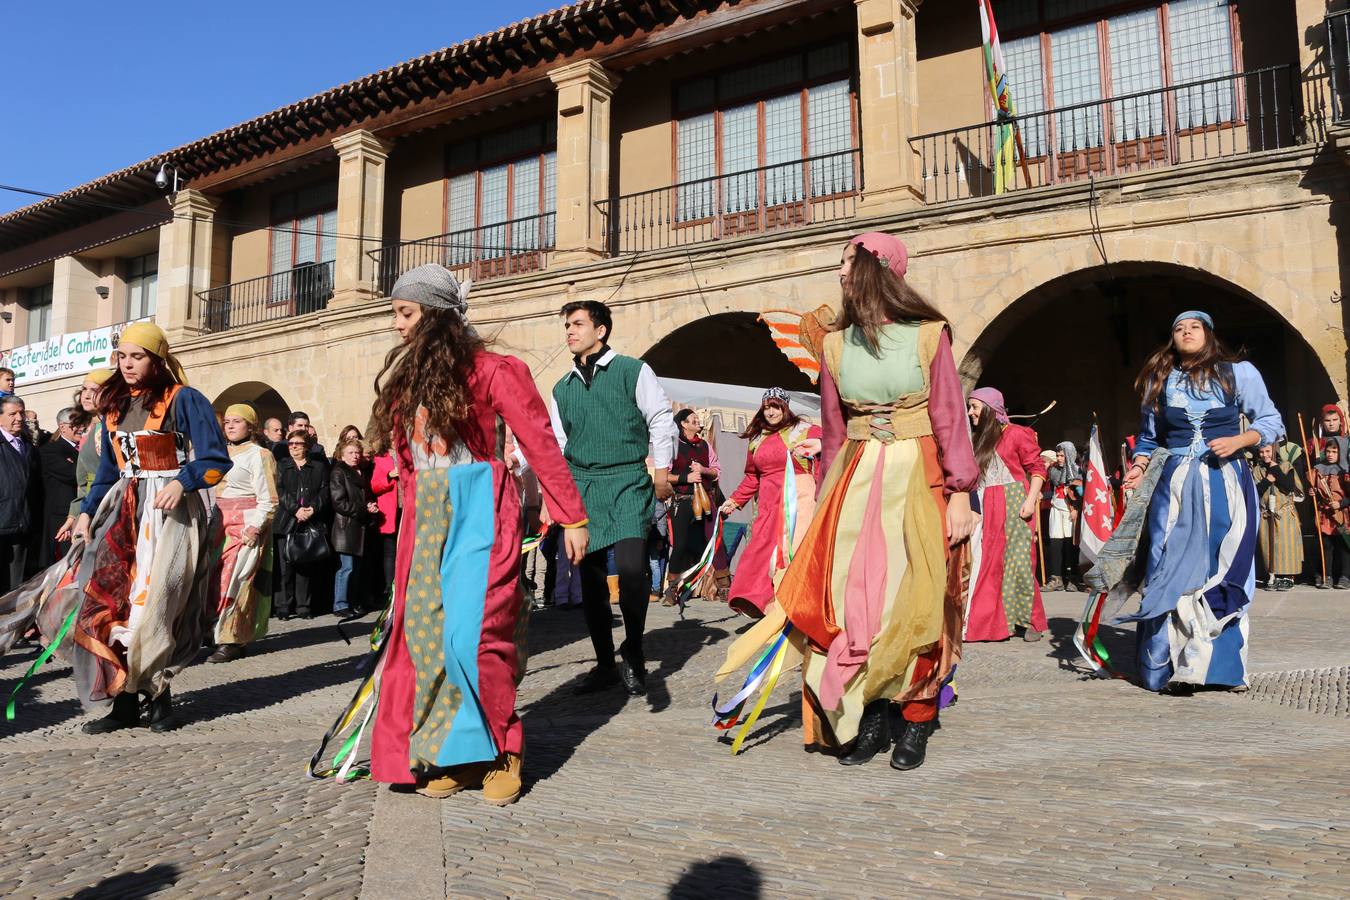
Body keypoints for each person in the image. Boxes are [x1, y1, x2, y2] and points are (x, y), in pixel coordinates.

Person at [723, 232, 977, 773]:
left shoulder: (930, 337)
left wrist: (959, 492)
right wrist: (822, 504)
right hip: (856, 483)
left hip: (921, 477)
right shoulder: (835, 346)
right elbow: (835, 433)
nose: (840, 273)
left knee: (920, 603)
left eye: (847, 263)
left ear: (878, 270)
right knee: (859, 605)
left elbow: (951, 418)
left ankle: (916, 716)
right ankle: (872, 712)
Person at [361, 263, 587, 807]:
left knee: (476, 636)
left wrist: (572, 516)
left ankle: (505, 751)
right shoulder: (408, 382)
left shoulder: (494, 370)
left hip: (478, 511)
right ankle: (456, 755)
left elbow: (539, 442)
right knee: (427, 639)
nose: (396, 325)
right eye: (395, 313)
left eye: (405, 312)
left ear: (437, 316)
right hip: (425, 519)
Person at [5, 324, 231, 732]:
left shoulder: (184, 399)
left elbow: (215, 459)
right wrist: (88, 511)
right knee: (113, 602)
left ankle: (159, 694)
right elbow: (108, 472)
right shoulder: (113, 406)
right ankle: (125, 700)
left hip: (170, 513)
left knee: (158, 602)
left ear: (157, 359)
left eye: (137, 356)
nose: (127, 364)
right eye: (122, 356)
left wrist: (183, 482)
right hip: (123, 511)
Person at [1118, 311, 1284, 694]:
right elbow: (1148, 437)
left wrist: (1240, 441)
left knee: (1222, 565)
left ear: (1208, 334)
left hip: (1225, 481)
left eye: (1194, 327)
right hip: (1173, 486)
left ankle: (1218, 668)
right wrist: (1140, 466)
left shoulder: (1238, 373)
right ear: (1172, 339)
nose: (1186, 332)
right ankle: (1169, 665)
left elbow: (1271, 420)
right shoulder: (1159, 382)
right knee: (1166, 564)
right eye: (1178, 328)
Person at [550, 299, 676, 697]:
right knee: (589, 581)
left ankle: (634, 650)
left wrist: (660, 473)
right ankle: (605, 663)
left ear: (601, 330)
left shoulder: (632, 371)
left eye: (578, 324)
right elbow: (558, 443)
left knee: (632, 567)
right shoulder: (561, 388)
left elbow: (659, 417)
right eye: (567, 325)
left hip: (627, 480)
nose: (569, 331)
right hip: (582, 485)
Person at [718, 388, 822, 619]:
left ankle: (794, 607)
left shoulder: (805, 430)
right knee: (761, 551)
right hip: (767, 502)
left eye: (775, 406)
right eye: (766, 407)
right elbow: (752, 477)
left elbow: (833, 443)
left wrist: (821, 445)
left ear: (785, 407)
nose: (771, 411)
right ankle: (765, 605)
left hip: (798, 499)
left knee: (792, 551)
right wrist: (734, 501)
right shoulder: (757, 439)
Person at [964, 387, 1049, 642]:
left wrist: (1030, 501)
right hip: (986, 504)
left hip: (1015, 503)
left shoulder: (1018, 434)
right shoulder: (979, 440)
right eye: (970, 407)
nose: (970, 413)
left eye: (975, 407)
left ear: (990, 409)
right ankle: (995, 624)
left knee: (1019, 564)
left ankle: (1031, 621)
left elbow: (1037, 469)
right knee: (990, 565)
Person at [207, 404, 278, 662]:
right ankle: (214, 631)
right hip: (219, 524)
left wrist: (255, 527)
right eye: (227, 421)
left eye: (237, 421)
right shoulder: (218, 453)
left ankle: (232, 639)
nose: (230, 426)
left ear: (250, 426)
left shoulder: (259, 455)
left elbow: (268, 498)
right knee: (214, 581)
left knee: (235, 580)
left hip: (246, 524)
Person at [663, 409, 726, 605]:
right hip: (682, 500)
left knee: (715, 542)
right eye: (693, 419)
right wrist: (685, 477)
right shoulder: (673, 445)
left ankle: (724, 587)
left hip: (706, 499)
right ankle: (672, 590)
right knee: (680, 545)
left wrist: (703, 470)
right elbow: (664, 475)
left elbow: (717, 472)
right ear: (683, 424)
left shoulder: (705, 445)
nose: (698, 421)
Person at [273, 429, 329, 619]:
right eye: (290, 444)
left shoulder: (318, 467)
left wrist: (313, 508)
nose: (293, 447)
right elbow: (279, 490)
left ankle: (304, 606)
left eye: (298, 443)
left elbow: (324, 491)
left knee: (304, 565)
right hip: (287, 520)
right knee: (285, 566)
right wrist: (295, 510)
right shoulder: (282, 465)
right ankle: (283, 606)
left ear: (307, 446)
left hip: (309, 520)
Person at [329, 438, 375, 616]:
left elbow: (363, 496)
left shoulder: (360, 472)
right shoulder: (339, 472)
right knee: (346, 568)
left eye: (357, 453)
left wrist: (370, 505)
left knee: (356, 569)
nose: (355, 456)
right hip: (345, 528)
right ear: (342, 455)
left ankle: (353, 602)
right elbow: (339, 502)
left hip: (359, 526)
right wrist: (364, 508)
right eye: (350, 453)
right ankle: (340, 605)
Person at [1252, 442, 1304, 592]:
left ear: (1274, 451)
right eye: (1261, 452)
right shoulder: (1257, 471)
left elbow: (1288, 487)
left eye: (1268, 451)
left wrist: (1275, 469)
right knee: (1270, 546)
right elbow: (1256, 492)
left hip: (1284, 513)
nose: (1265, 455)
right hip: (1267, 514)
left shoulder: (1286, 466)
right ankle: (1272, 575)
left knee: (1286, 545)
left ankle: (1288, 576)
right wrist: (1267, 480)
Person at [0, 396, 39, 594]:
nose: (19, 418)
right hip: (2, 524)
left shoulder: (27, 446)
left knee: (17, 585)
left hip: (22, 525)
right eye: (12, 414)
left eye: (21, 413)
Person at [36, 407, 81, 567]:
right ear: (62, 427)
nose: (81, 427)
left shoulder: (86, 447)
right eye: (76, 424)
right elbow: (75, 474)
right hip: (62, 520)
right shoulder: (50, 451)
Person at [1044, 441, 1083, 592]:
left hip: (1070, 510)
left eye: (1062, 455)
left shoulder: (1077, 471)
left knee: (1070, 544)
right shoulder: (1053, 471)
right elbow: (1053, 489)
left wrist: (1076, 509)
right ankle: (1056, 578)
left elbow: (1080, 493)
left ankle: (1072, 577)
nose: (1059, 458)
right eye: (1058, 455)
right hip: (1056, 509)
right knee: (1055, 543)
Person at [1312, 437, 1350, 589]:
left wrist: (1340, 503)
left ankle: (1345, 577)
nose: (1330, 454)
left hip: (1342, 515)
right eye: (1328, 451)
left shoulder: (1345, 470)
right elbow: (1316, 490)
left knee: (1344, 545)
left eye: (1334, 451)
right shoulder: (1318, 469)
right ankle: (1326, 575)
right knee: (1326, 545)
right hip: (1325, 515)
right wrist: (1313, 492)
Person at [368, 444, 400, 611]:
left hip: (409, 509)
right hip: (390, 511)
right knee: (390, 550)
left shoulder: (410, 455)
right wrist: (389, 475)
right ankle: (389, 588)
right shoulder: (381, 459)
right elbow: (375, 485)